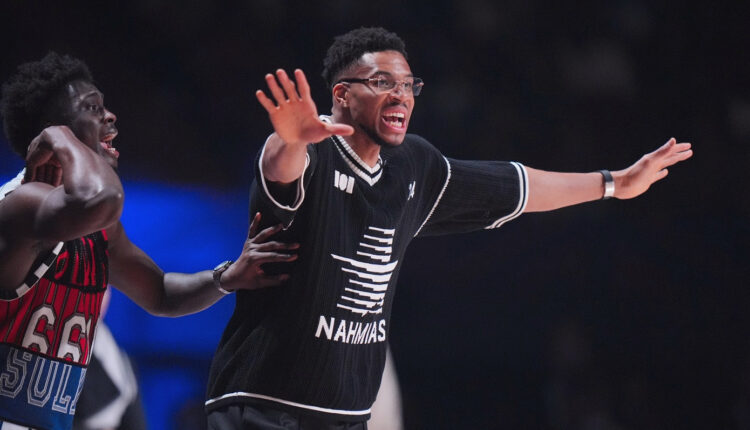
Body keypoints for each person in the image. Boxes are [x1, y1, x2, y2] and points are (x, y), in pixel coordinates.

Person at [204, 27, 693, 429]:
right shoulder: (310, 153)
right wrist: (289, 139)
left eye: (408, 85)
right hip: (264, 406)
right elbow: (281, 167)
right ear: (342, 95)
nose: (400, 94)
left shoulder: (413, 165)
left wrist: (614, 183)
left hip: (345, 416)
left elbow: (516, 186)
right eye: (382, 82)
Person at [0, 52, 298, 430]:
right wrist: (60, 136)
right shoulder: (21, 205)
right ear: (53, 132)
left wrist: (227, 277)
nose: (110, 116)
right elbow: (101, 197)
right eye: (92, 108)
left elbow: (160, 293)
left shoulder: (96, 228)